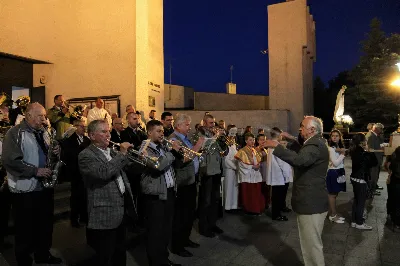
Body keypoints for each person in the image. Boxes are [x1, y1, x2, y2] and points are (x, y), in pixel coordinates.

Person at [2, 103, 62, 266]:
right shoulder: (14, 133)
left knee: (45, 225)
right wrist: (35, 171)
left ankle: (43, 254)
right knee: (25, 229)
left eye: (44, 116)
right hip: (25, 190)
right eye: (40, 116)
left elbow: (48, 154)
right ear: (28, 115)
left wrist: (56, 152)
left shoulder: (44, 132)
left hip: (44, 187)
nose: (44, 120)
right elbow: (9, 161)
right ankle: (24, 260)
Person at [265, 116, 329, 266]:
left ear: (312, 129)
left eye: (302, 126)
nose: (300, 129)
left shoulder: (314, 145)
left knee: (312, 246)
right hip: (313, 201)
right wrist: (293, 140)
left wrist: (277, 146)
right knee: (310, 244)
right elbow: (303, 153)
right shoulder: (315, 142)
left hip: (311, 203)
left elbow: (300, 160)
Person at [78, 120, 136, 266]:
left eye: (108, 131)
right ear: (91, 135)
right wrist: (122, 154)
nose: (108, 134)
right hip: (104, 211)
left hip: (120, 208)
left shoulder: (111, 151)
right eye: (103, 132)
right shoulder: (86, 155)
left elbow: (129, 169)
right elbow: (103, 173)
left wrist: (139, 157)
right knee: (105, 256)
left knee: (120, 252)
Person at [139, 119, 182, 266]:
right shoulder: (144, 149)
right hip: (155, 196)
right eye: (158, 131)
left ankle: (164, 259)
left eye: (162, 131)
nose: (161, 134)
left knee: (165, 230)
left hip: (168, 192)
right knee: (155, 232)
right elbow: (158, 165)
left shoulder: (163, 146)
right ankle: (156, 262)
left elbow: (173, 164)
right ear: (149, 132)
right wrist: (172, 151)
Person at [169, 113, 203, 257]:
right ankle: (177, 245)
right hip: (182, 183)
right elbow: (183, 159)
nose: (189, 127)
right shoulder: (173, 139)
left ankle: (185, 239)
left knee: (189, 214)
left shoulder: (185, 138)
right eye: (187, 125)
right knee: (181, 215)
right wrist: (198, 146)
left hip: (190, 180)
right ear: (178, 125)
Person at [194, 114, 226, 237]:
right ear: (204, 123)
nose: (213, 125)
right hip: (206, 170)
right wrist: (215, 136)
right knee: (205, 201)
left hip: (217, 169)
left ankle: (212, 224)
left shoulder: (215, 135)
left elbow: (224, 151)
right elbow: (204, 147)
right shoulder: (199, 134)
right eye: (211, 123)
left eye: (214, 122)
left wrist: (222, 140)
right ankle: (203, 227)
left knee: (215, 199)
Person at [62, 119, 90, 228]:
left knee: (85, 196)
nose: (84, 128)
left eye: (84, 126)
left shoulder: (87, 139)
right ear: (75, 127)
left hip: (85, 172)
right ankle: (74, 219)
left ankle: (84, 217)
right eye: (81, 126)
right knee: (75, 197)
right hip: (75, 171)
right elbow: (69, 154)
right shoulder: (69, 140)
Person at [349, 133, 377, 230]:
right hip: (361, 179)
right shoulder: (364, 153)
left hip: (354, 178)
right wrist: (371, 152)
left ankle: (353, 221)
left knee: (356, 200)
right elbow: (374, 163)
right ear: (362, 142)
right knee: (361, 202)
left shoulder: (354, 150)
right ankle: (359, 223)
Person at [266, 130, 293, 221]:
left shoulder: (271, 144)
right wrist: (287, 174)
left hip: (276, 174)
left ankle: (280, 208)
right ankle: (276, 214)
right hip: (279, 174)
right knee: (277, 195)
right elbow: (282, 162)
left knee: (278, 195)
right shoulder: (276, 145)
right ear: (278, 135)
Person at [235, 133, 265, 215]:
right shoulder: (242, 151)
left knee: (256, 192)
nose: (252, 141)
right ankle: (250, 209)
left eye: (253, 140)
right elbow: (241, 164)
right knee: (249, 193)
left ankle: (257, 207)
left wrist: (257, 165)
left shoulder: (254, 150)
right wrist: (252, 167)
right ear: (246, 141)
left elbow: (257, 160)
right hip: (248, 175)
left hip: (255, 174)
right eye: (250, 140)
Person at [326, 129, 346, 224]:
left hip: (339, 171)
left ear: (340, 137)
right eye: (332, 135)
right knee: (332, 195)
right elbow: (335, 163)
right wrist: (343, 154)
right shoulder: (331, 148)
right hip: (334, 172)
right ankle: (333, 215)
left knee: (335, 194)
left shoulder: (338, 146)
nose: (334, 137)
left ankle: (333, 213)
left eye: (336, 135)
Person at [365, 123, 385, 195]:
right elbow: (370, 150)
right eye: (381, 129)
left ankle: (372, 189)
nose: (382, 131)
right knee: (373, 177)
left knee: (375, 176)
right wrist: (381, 151)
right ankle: (371, 191)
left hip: (376, 160)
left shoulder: (375, 135)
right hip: (374, 161)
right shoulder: (371, 136)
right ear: (376, 129)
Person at [223, 125, 239, 211]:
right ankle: (228, 206)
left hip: (235, 168)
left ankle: (234, 205)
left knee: (235, 187)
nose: (233, 136)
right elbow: (226, 159)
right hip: (229, 169)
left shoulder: (234, 144)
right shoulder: (225, 145)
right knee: (229, 187)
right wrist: (234, 167)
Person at [256, 134, 271, 211]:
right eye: (261, 140)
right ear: (258, 141)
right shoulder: (256, 149)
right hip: (260, 172)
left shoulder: (267, 149)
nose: (263, 141)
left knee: (267, 188)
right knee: (261, 188)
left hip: (266, 171)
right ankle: (262, 203)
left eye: (264, 139)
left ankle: (267, 202)